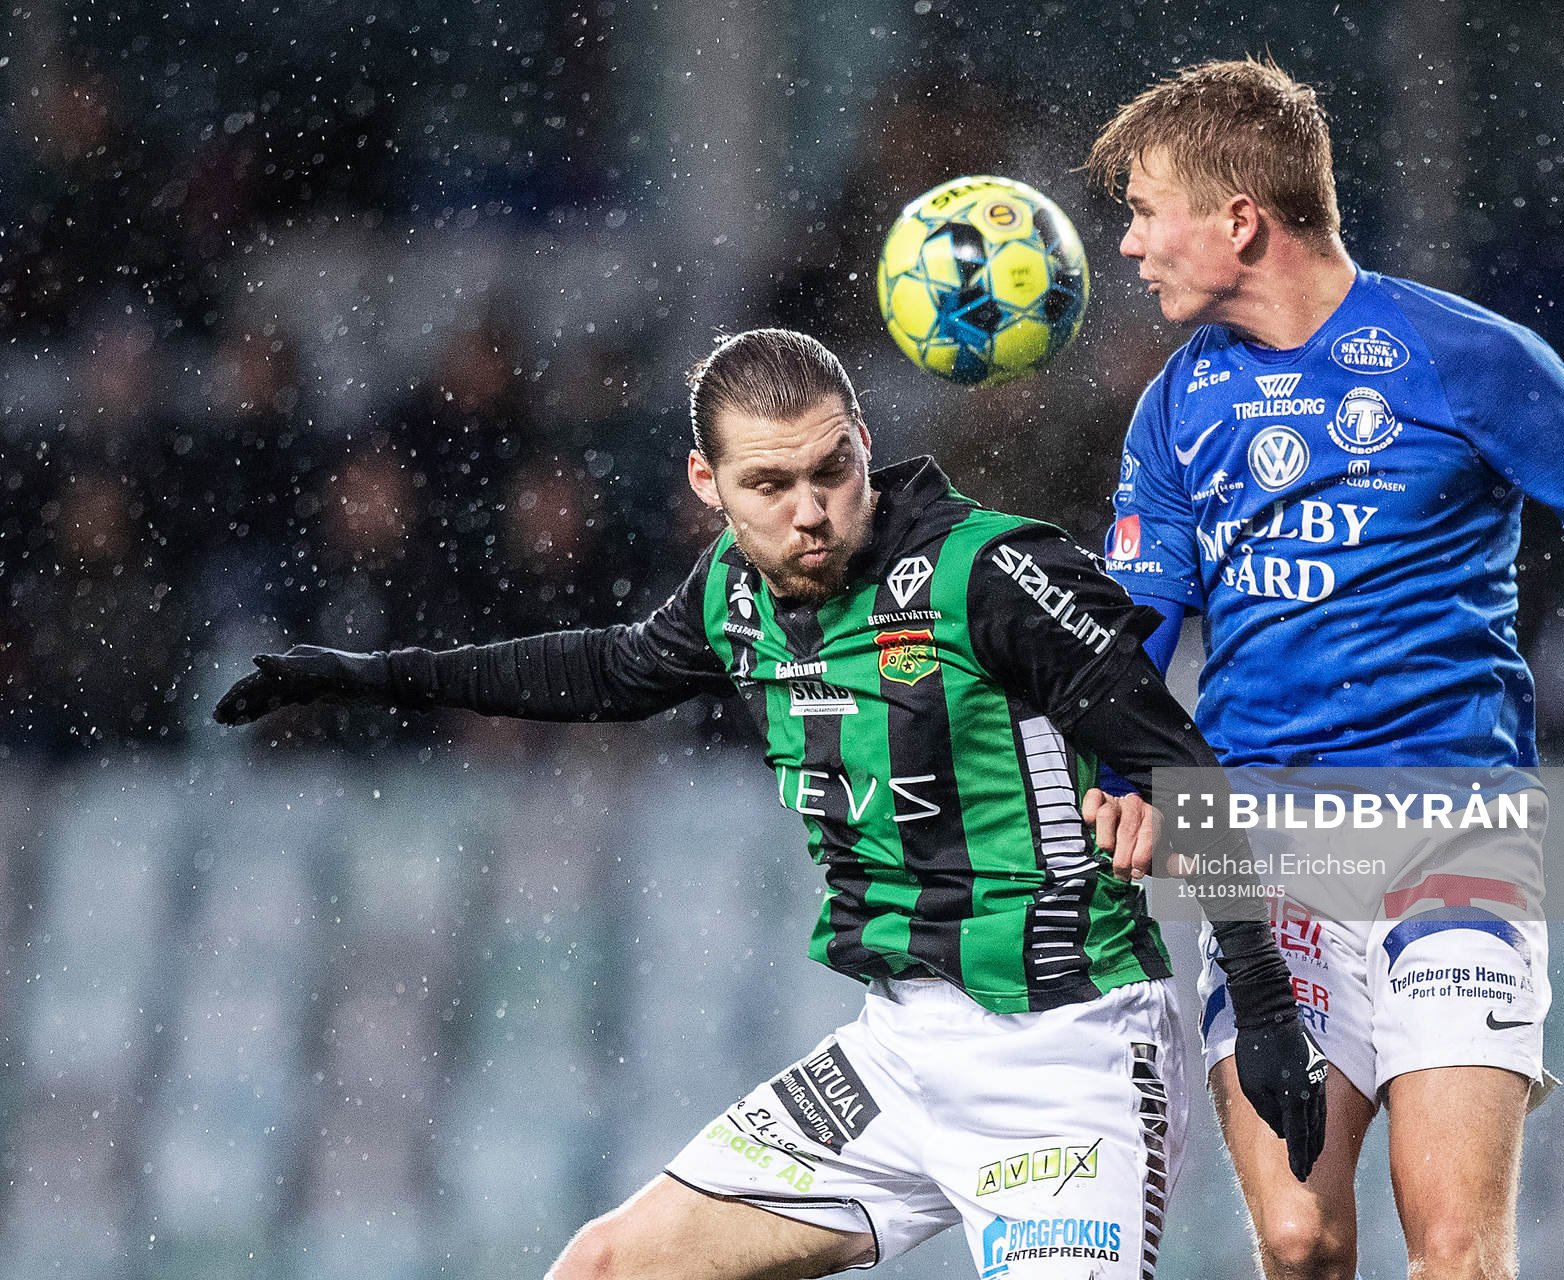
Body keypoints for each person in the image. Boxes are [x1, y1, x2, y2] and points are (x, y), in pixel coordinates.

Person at [214, 327, 1327, 1280]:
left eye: (830, 471)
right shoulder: (730, 593)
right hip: (894, 1056)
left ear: (864, 446)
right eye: (769, 485)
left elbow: (1185, 767)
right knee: (604, 1264)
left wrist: (1265, 1002)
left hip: (1067, 1055)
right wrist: (370, 673)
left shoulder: (993, 575)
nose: (809, 512)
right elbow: (601, 670)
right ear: (708, 485)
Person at [1081, 59, 1564, 1280]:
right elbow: (1131, 630)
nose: (1129, 244)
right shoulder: (1173, 411)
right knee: (1300, 1241)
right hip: (1268, 845)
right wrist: (1118, 766)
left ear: (1240, 219)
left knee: (1455, 1249)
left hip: (1457, 835)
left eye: (1143, 207)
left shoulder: (1471, 357)